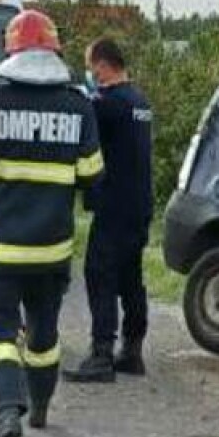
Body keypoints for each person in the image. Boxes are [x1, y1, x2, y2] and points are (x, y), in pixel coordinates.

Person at [0, 9, 103, 437]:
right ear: (55, 51)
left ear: (10, 51)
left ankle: (7, 414)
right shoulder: (78, 106)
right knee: (43, 333)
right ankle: (39, 409)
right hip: (51, 248)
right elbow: (93, 173)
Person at [67, 36, 153, 384]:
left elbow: (81, 122)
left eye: (91, 66)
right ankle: (132, 351)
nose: (90, 73)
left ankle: (101, 354)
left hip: (114, 205)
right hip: (140, 204)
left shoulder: (108, 103)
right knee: (130, 277)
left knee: (99, 274)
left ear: (102, 65)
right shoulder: (138, 100)